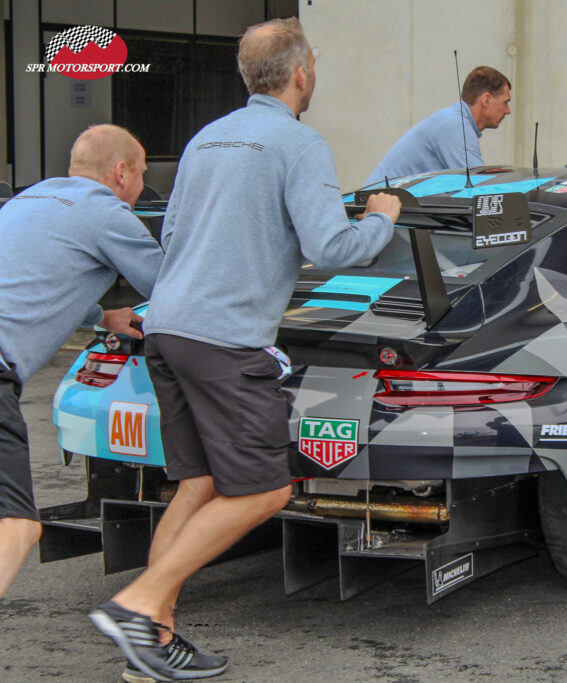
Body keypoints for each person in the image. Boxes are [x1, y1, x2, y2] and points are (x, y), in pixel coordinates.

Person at [87, 18, 401, 683]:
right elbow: (331, 247)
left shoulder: (204, 140)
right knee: (264, 487)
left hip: (167, 328)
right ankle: (137, 602)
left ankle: (153, 642)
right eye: (314, 61)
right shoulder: (299, 143)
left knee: (199, 483)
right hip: (223, 340)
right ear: (302, 74)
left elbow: (171, 236)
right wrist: (381, 216)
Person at [0, 124, 161, 600]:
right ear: (120, 172)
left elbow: (27, 278)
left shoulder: (26, 201)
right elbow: (169, 287)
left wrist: (101, 315)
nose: (138, 188)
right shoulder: (106, 211)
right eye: (141, 176)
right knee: (17, 525)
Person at [363, 65, 511, 186]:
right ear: (486, 100)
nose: (508, 111)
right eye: (505, 102)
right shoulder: (456, 126)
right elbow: (480, 188)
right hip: (380, 213)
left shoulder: (453, 120)